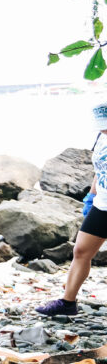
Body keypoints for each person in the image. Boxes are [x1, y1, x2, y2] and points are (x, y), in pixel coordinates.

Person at [36, 101, 107, 317]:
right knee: (81, 251)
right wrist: (91, 195)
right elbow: (100, 169)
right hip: (102, 205)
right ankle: (67, 303)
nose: (104, 128)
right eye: (101, 125)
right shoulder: (100, 138)